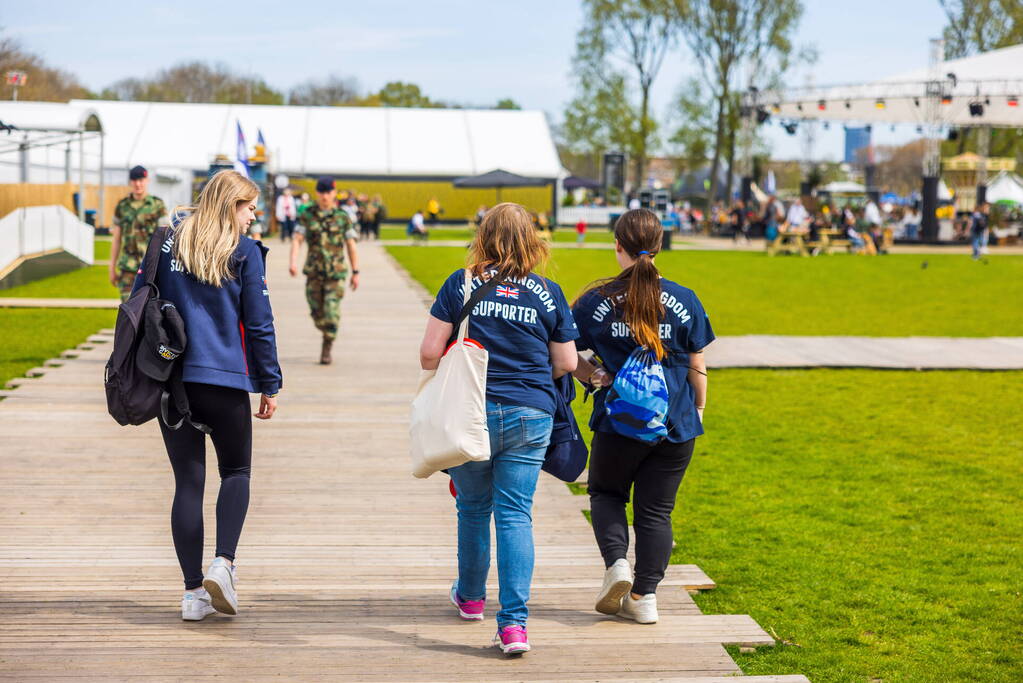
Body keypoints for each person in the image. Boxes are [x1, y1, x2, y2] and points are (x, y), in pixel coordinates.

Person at [418, 203, 579, 655]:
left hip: (471, 411)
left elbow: (430, 353)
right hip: (531, 414)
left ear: (482, 236)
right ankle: (513, 626)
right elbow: (566, 362)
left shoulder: (461, 283)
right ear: (533, 240)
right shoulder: (548, 292)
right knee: (515, 514)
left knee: (472, 508)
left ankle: (470, 598)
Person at [132, 170, 282, 622]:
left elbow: (139, 303)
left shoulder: (164, 242)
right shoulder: (244, 252)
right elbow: (259, 322)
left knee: (188, 484)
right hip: (225, 380)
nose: (255, 216)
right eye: (249, 207)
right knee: (236, 471)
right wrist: (269, 382)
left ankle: (192, 593)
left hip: (171, 381)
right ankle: (225, 563)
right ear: (230, 204)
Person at [571, 208, 713, 626]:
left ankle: (617, 564)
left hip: (619, 421)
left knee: (607, 495)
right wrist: (698, 411)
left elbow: (561, 353)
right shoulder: (685, 300)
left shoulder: (597, 300)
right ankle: (644, 597)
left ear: (618, 246)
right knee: (656, 512)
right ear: (660, 246)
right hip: (676, 423)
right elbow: (696, 366)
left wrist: (594, 375)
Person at [289, 177, 360, 365]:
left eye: (328, 192)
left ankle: (327, 343)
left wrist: (356, 271)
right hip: (314, 272)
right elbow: (297, 239)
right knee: (316, 312)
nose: (325, 196)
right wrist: (293, 262)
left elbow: (351, 244)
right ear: (317, 193)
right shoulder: (307, 215)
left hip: (336, 274)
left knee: (331, 310)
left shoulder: (342, 217)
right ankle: (326, 330)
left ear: (334, 193)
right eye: (322, 192)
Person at [110, 165, 169, 302]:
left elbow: (165, 237)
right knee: (128, 309)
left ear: (147, 180)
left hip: (150, 267)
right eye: (134, 180)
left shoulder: (157, 205)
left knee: (149, 309)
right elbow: (117, 239)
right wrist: (111, 267)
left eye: (141, 180)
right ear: (130, 182)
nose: (138, 184)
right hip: (128, 268)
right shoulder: (122, 206)